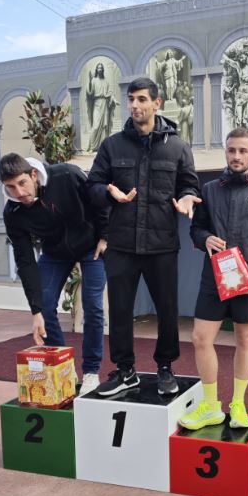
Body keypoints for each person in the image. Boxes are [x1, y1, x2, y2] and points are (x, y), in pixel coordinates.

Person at [86, 77, 200, 397]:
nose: (134, 105)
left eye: (141, 99)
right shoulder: (112, 145)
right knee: (120, 310)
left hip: (162, 244)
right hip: (122, 244)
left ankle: (165, 367)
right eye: (131, 100)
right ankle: (125, 371)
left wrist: (188, 197)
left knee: (166, 309)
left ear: (156, 103)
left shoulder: (178, 147)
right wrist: (108, 192)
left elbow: (189, 185)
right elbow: (92, 186)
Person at [178, 127, 248, 430]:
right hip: (213, 279)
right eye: (231, 150)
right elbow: (196, 229)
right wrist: (205, 239)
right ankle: (211, 406)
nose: (236, 156)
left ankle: (238, 404)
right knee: (200, 338)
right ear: (225, 152)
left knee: (245, 339)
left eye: (242, 151)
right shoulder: (210, 189)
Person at [0, 153, 108, 395]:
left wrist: (105, 236)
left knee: (92, 305)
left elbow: (98, 203)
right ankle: (65, 367)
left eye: (22, 183)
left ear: (33, 175)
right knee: (45, 307)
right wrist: (35, 310)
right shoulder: (13, 213)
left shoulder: (67, 175)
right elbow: (25, 261)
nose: (18, 192)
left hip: (91, 246)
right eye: (10, 187)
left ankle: (90, 371)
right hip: (56, 252)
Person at [86, 62, 118, 152]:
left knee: (104, 127)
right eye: (98, 68)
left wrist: (114, 100)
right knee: (95, 126)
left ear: (102, 70)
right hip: (97, 103)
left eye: (101, 68)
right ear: (96, 70)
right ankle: (92, 147)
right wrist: (89, 81)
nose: (100, 69)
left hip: (104, 104)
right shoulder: (93, 80)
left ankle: (101, 147)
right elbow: (90, 93)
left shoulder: (106, 81)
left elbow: (110, 93)